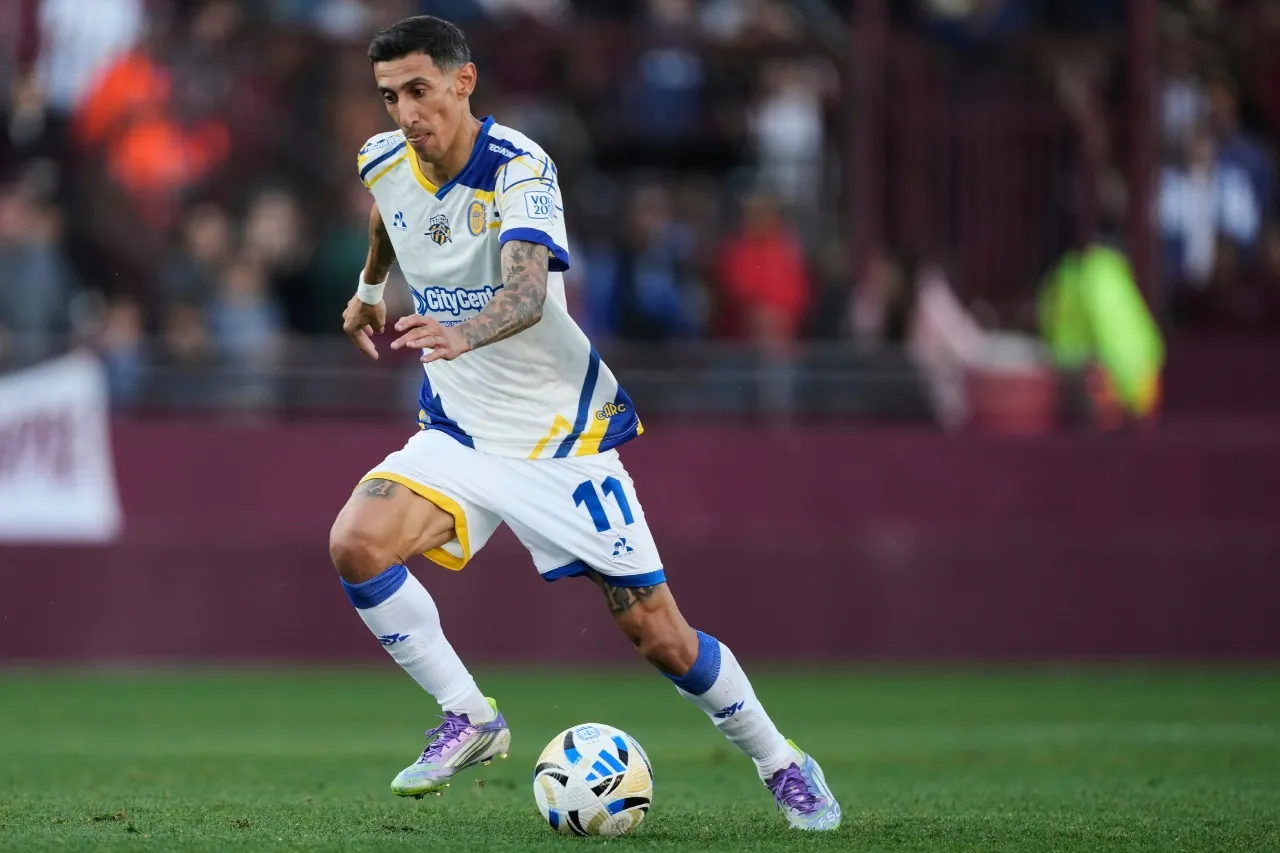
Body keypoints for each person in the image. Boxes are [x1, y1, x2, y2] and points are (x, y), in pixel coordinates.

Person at [330, 16, 840, 831]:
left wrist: (460, 331)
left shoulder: (519, 167)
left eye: (419, 90)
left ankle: (781, 760)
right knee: (356, 542)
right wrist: (368, 289)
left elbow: (530, 292)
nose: (406, 112)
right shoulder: (384, 156)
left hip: (555, 440)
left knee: (660, 635)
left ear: (464, 81)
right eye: (391, 96)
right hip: (459, 430)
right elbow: (390, 211)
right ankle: (470, 715)